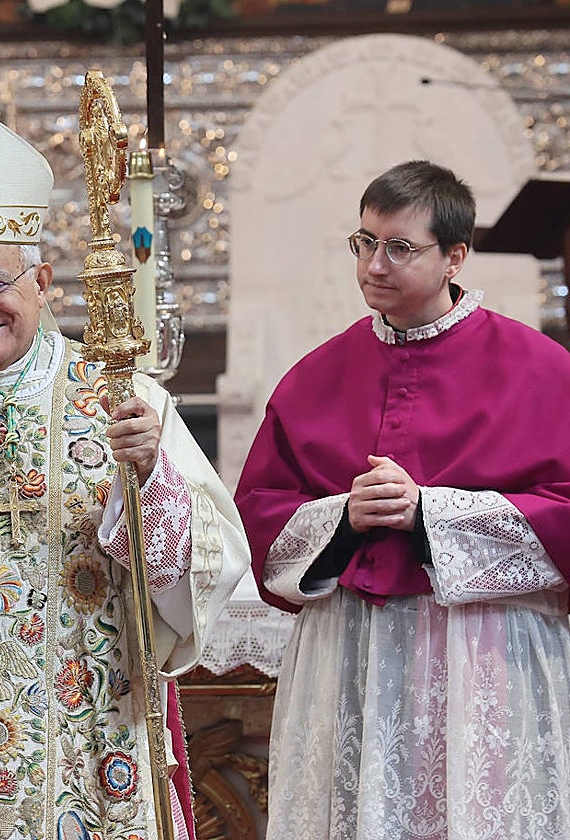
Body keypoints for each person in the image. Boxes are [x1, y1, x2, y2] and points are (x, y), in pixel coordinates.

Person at [0, 91, 250, 840]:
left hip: (86, 747)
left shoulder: (122, 397)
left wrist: (148, 486)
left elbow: (209, 570)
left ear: (43, 283)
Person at [234, 160, 570, 839]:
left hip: (484, 652)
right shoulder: (316, 374)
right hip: (348, 650)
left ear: (454, 257)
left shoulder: (541, 369)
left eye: (399, 248)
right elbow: (258, 515)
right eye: (364, 242)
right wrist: (342, 516)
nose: (374, 265)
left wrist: (432, 512)